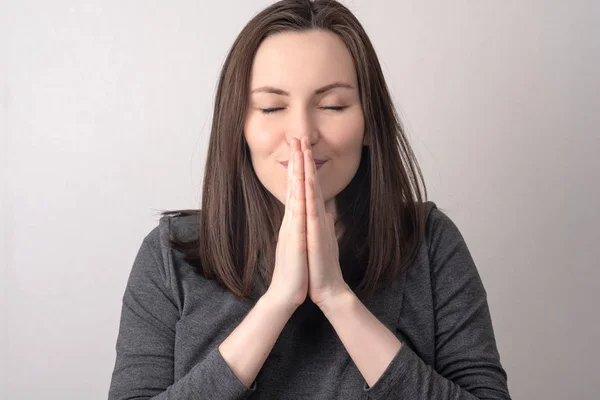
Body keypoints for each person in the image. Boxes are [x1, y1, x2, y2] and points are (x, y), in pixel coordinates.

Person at [108, 0, 511, 399]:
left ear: (370, 123)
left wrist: (337, 299)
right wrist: (277, 303)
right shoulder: (169, 255)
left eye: (332, 105)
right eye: (271, 107)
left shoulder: (429, 242)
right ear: (239, 127)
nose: (301, 133)